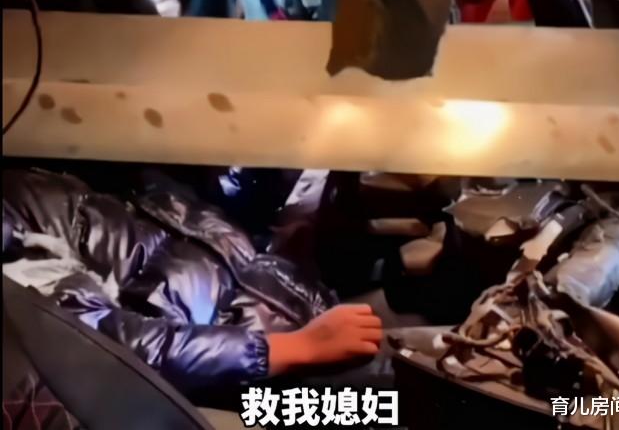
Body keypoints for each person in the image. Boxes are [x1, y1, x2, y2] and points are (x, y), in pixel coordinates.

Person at [2, 168, 384, 406]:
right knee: (393, 403)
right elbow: (98, 341)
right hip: (262, 377)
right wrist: (293, 348)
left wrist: (264, 250)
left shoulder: (21, 181)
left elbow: (153, 221)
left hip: (288, 295)